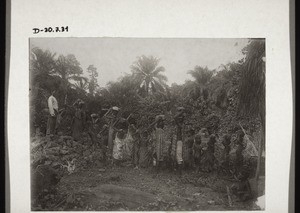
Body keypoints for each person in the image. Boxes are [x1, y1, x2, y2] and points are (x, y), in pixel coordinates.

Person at [174, 107, 185, 175]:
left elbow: (175, 117)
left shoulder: (180, 125)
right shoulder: (178, 125)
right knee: (176, 155)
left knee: (179, 155)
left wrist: (181, 112)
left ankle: (180, 172)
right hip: (177, 141)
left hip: (179, 141)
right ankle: (177, 169)